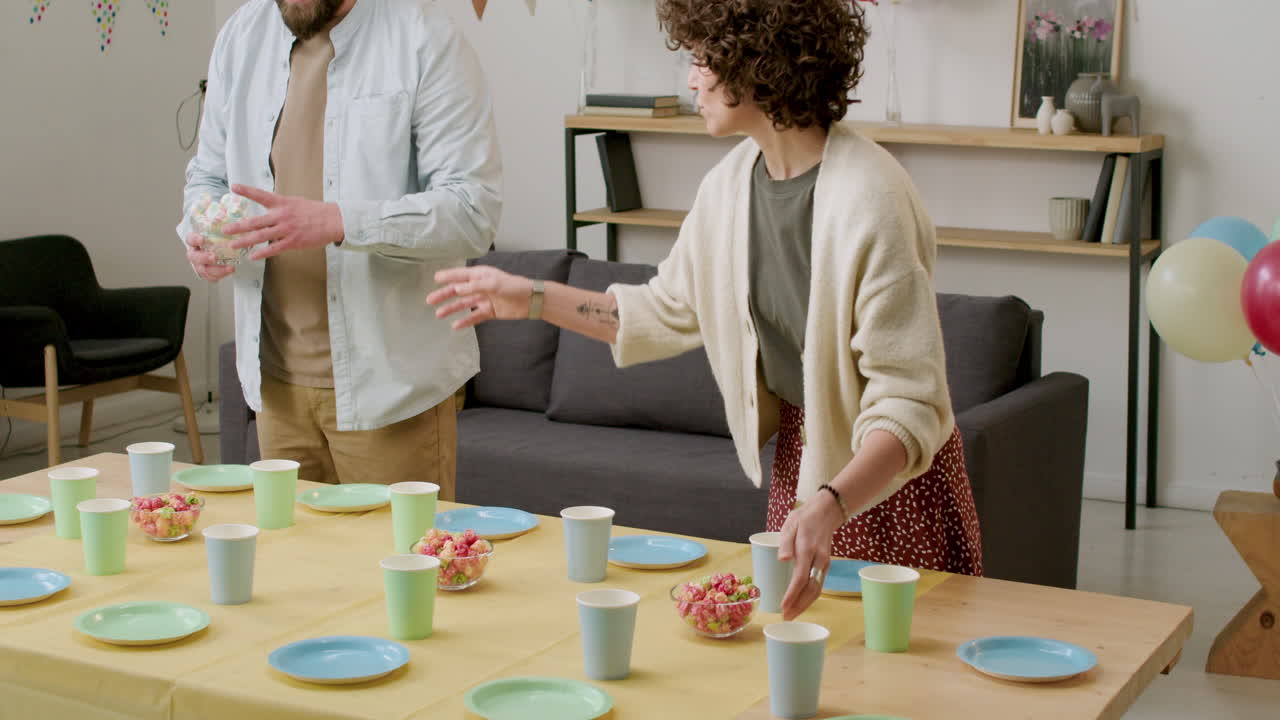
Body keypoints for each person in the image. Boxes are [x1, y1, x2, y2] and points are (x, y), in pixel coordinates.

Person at [428, 0, 981, 619]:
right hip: (808, 468)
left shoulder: (871, 197)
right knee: (800, 654)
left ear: (755, 62)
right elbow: (664, 309)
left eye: (700, 60)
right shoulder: (730, 185)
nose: (690, 79)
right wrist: (529, 297)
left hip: (889, 478)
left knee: (903, 681)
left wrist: (832, 500)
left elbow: (910, 402)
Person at [179, 0, 501, 496]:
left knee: (402, 569)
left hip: (390, 392)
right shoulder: (241, 34)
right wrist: (201, 233)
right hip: (273, 389)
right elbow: (207, 176)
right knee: (299, 572)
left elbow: (472, 210)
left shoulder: (425, 39)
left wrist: (340, 221)